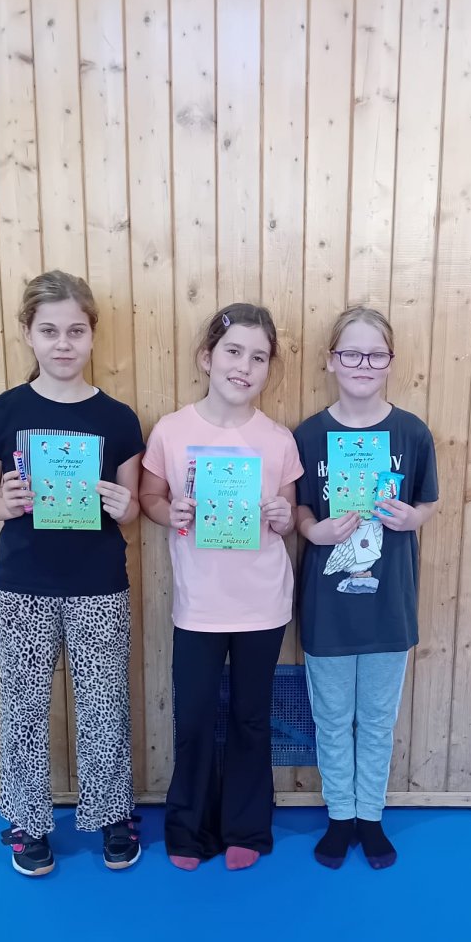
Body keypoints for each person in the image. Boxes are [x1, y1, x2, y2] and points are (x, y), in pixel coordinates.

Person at [0, 270, 144, 876]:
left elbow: (131, 508)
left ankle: (112, 813)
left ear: (92, 335)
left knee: (103, 705)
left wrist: (124, 505)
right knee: (22, 706)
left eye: (75, 331)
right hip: (24, 584)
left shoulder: (118, 418)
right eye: (49, 331)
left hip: (98, 583)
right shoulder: (1, 412)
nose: (63, 343)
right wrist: (6, 502)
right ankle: (26, 821)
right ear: (28, 333)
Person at [139, 304, 302, 871]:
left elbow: (290, 515)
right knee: (193, 718)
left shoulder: (278, 439)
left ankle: (247, 828)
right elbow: (150, 498)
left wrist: (282, 515)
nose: (244, 367)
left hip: (262, 602)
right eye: (234, 352)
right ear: (207, 357)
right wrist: (171, 511)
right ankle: (188, 830)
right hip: (199, 604)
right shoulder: (172, 430)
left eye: (259, 357)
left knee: (251, 720)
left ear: (268, 368)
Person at [294, 306, 439, 870]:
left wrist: (413, 518)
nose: (363, 364)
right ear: (331, 360)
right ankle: (339, 816)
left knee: (377, 720)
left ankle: (371, 817)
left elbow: (428, 501)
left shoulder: (412, 432)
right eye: (350, 353)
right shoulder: (309, 434)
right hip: (327, 608)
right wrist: (314, 530)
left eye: (375, 354)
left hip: (388, 605)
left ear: (390, 362)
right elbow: (299, 510)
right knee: (331, 720)